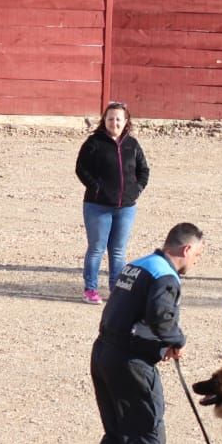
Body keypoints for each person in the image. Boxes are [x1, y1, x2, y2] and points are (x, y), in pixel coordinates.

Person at [76, 222, 206, 444]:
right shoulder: (165, 275)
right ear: (186, 249)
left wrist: (157, 346)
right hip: (129, 365)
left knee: (118, 433)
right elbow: (161, 315)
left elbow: (130, 317)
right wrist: (175, 340)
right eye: (198, 255)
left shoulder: (138, 264)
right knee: (148, 436)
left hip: (104, 353)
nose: (197, 262)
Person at [75, 101, 150, 305]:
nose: (114, 123)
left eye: (118, 119)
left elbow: (143, 170)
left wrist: (136, 189)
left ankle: (116, 289)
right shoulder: (94, 143)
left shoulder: (132, 145)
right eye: (110, 119)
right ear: (104, 120)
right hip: (97, 206)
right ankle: (90, 289)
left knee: (118, 251)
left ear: (126, 121)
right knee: (96, 249)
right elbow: (81, 168)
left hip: (125, 207)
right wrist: (96, 187)